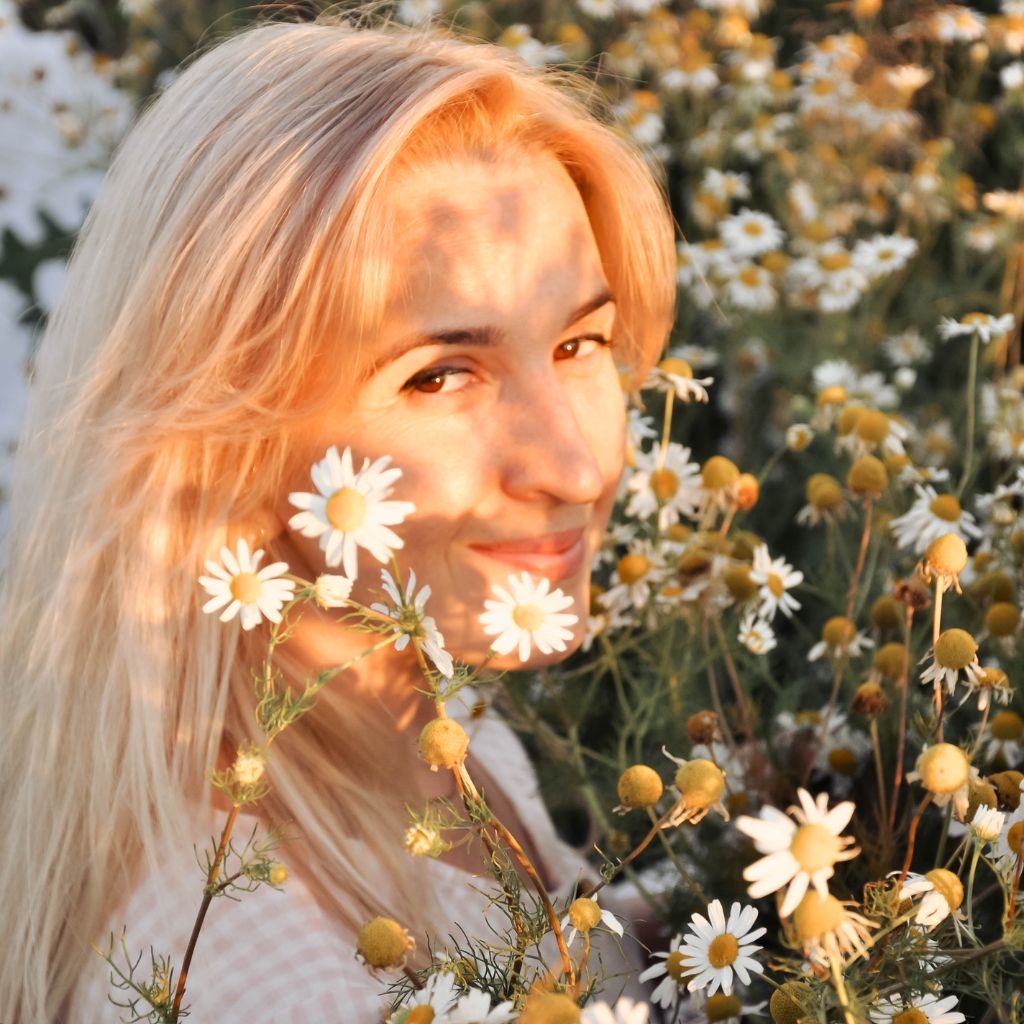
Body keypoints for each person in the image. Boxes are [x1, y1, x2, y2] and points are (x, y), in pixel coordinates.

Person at [0, 13, 675, 1022]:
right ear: (227, 433)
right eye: (442, 374)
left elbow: (524, 947)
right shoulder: (259, 968)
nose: (576, 466)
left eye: (580, 343)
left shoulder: (418, 713)